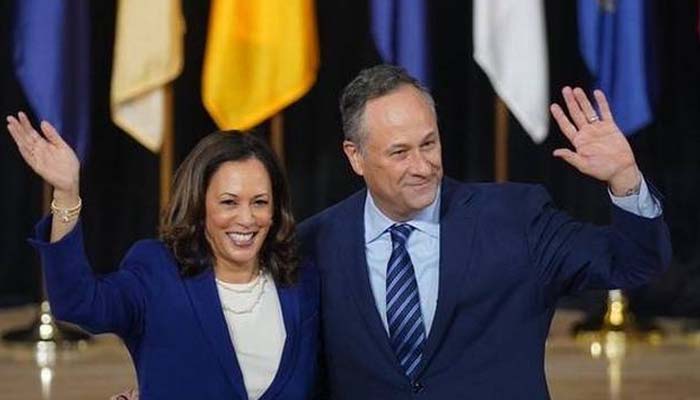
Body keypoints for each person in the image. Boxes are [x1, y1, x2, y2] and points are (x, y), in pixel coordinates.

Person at [298, 65, 672, 399]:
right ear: (355, 156)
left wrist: (625, 179)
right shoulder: (316, 243)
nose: (422, 166)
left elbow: (632, 263)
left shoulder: (515, 219)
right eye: (399, 153)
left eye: (429, 144)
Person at [5, 113, 319, 400]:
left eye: (260, 202)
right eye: (229, 202)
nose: (247, 219)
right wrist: (66, 193)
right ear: (199, 205)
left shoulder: (302, 278)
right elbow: (77, 302)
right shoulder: (157, 270)